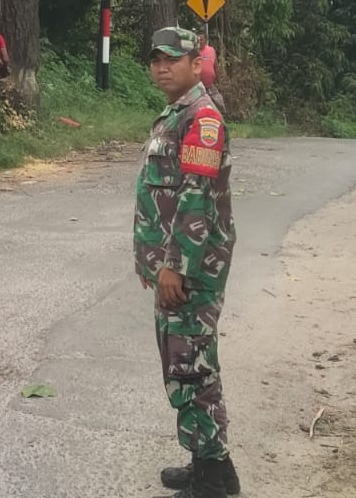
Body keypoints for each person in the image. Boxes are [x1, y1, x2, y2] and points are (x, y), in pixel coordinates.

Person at [136, 27, 240, 498]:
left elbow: (196, 197)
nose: (161, 67)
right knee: (183, 363)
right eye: (156, 59)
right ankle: (204, 460)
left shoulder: (202, 119)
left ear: (196, 64)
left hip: (191, 269)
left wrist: (175, 265)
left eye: (172, 60)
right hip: (175, 267)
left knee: (193, 368)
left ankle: (215, 477)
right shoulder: (176, 114)